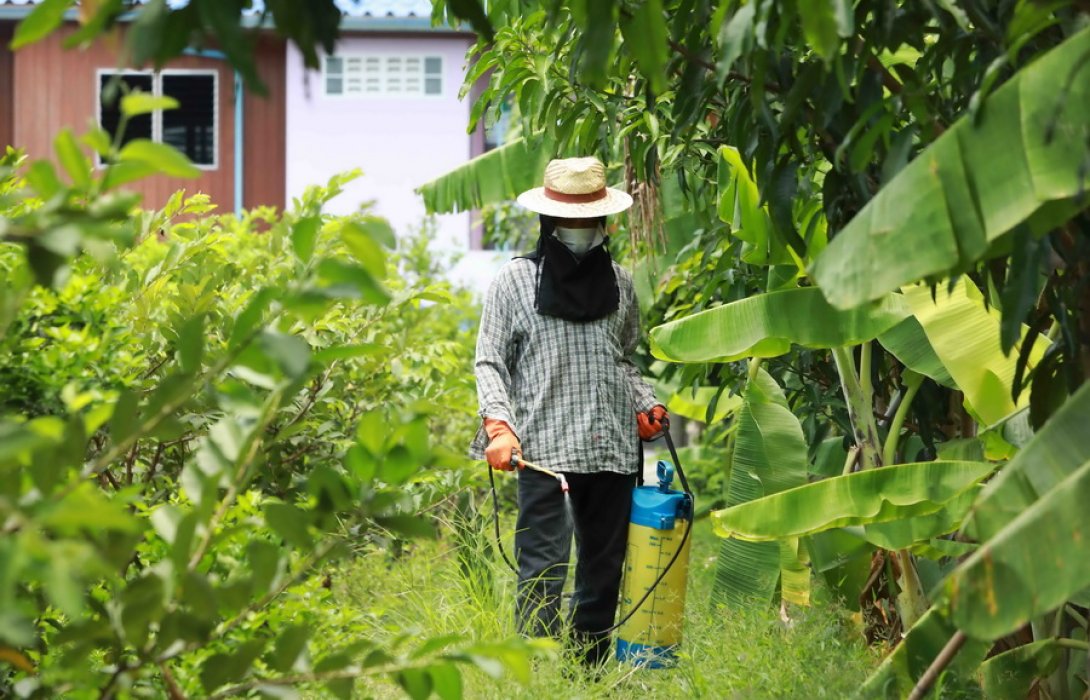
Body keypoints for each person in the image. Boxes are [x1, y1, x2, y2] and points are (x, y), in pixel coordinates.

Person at [470, 156, 668, 666]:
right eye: (570, 222)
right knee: (542, 568)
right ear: (549, 222)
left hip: (609, 447)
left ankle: (588, 674)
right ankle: (534, 674)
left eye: (588, 221)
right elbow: (489, 360)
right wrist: (498, 425)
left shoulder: (621, 283)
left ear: (602, 222)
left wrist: (646, 404)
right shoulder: (513, 283)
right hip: (540, 448)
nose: (579, 231)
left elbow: (620, 357)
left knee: (604, 569)